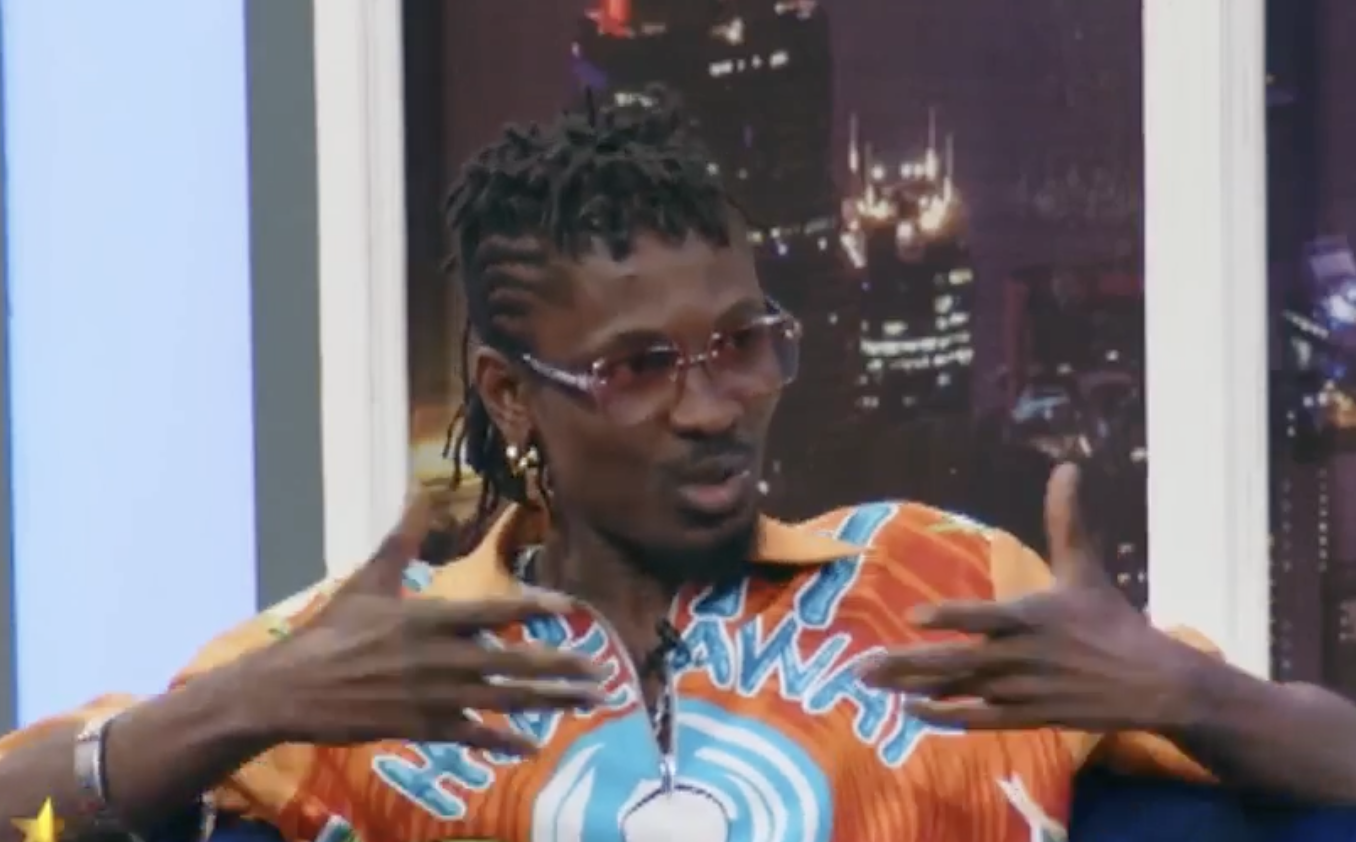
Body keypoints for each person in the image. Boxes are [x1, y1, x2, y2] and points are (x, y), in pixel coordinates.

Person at [4, 93, 1356, 842]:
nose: (713, 408)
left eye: (742, 345)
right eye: (639, 366)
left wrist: (1190, 691)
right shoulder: (370, 653)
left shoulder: (940, 577)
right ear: (511, 394)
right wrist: (244, 706)